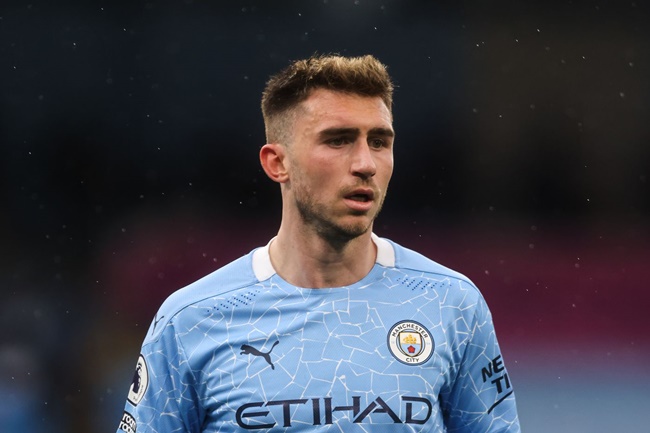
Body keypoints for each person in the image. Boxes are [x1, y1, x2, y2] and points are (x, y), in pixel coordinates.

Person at [116, 54, 520, 433]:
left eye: (379, 142)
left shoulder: (451, 304)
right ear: (277, 163)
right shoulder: (191, 320)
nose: (365, 164)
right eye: (338, 140)